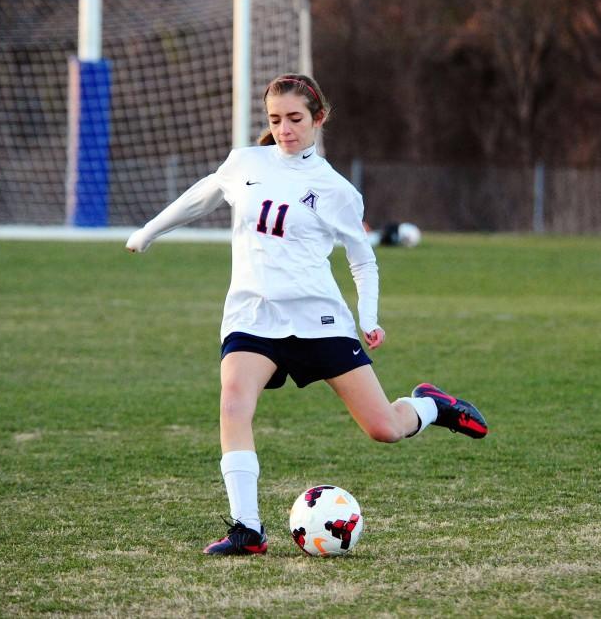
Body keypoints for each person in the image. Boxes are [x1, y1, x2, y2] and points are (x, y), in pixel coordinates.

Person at [125, 73, 488, 556]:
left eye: (295, 119)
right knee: (233, 403)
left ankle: (431, 405)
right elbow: (203, 195)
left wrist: (369, 315)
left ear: (318, 119)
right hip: (253, 316)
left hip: (319, 321)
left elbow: (362, 258)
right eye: (275, 119)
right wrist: (149, 231)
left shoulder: (334, 189)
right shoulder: (245, 162)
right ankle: (247, 529)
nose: (284, 129)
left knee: (383, 428)